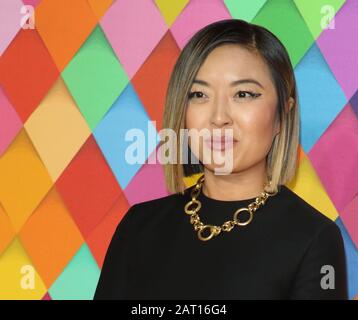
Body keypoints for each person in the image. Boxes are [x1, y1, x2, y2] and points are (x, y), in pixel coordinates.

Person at [94, 19, 348, 300]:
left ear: (282, 114)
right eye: (199, 94)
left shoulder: (314, 239)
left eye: (243, 94)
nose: (218, 117)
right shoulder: (139, 226)